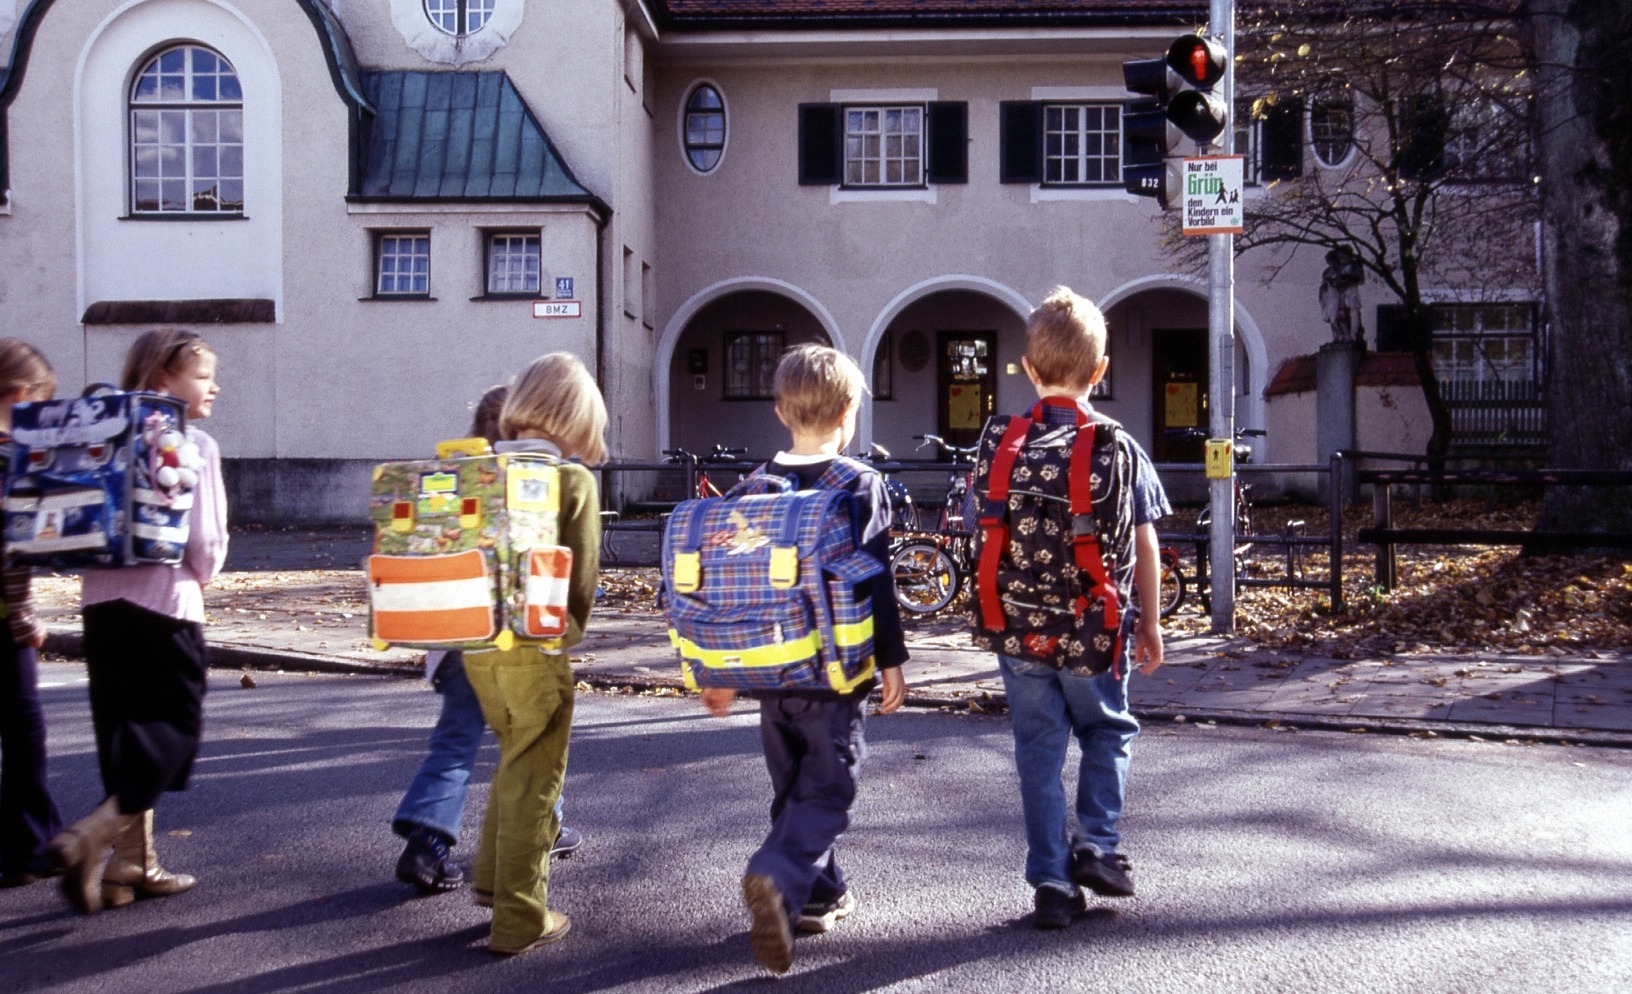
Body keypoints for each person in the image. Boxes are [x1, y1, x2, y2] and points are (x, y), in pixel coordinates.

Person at [697, 344, 909, 974]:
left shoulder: (753, 488)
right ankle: (777, 873)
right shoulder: (858, 485)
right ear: (848, 413)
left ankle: (819, 893)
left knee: (794, 785)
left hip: (770, 668)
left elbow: (732, 589)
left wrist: (719, 674)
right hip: (835, 675)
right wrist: (890, 660)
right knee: (830, 787)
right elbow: (875, 583)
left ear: (779, 411)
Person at [968, 287, 1169, 930]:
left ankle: (1053, 883)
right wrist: (1154, 622)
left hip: (1019, 628)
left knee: (1038, 751)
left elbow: (985, 528)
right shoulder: (1120, 446)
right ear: (1101, 371)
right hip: (1094, 632)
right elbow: (1145, 540)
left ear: (1029, 368)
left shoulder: (1000, 443)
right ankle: (1098, 846)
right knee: (1107, 732)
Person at [51, 328, 228, 914]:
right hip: (166, 604)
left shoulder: (103, 434)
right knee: (175, 731)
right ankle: (91, 837)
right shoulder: (193, 443)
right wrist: (204, 574)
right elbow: (203, 544)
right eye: (203, 376)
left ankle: (132, 865)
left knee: (125, 733)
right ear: (161, 381)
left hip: (99, 604)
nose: (214, 387)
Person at [392, 385, 582, 896]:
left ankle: (426, 843)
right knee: (531, 739)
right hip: (514, 644)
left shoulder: (453, 483)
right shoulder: (530, 485)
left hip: (455, 641)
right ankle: (549, 825)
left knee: (455, 742)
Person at [460, 353, 604, 956]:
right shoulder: (572, 481)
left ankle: (493, 882)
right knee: (537, 781)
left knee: (510, 764)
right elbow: (584, 578)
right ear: (577, 421)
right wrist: (571, 629)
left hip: (477, 647)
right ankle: (522, 917)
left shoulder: (482, 470)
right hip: (536, 649)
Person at [0, 340, 62, 889]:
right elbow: (8, 553)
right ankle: (30, 845)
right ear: (21, 397)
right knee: (23, 733)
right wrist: (24, 623)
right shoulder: (7, 458)